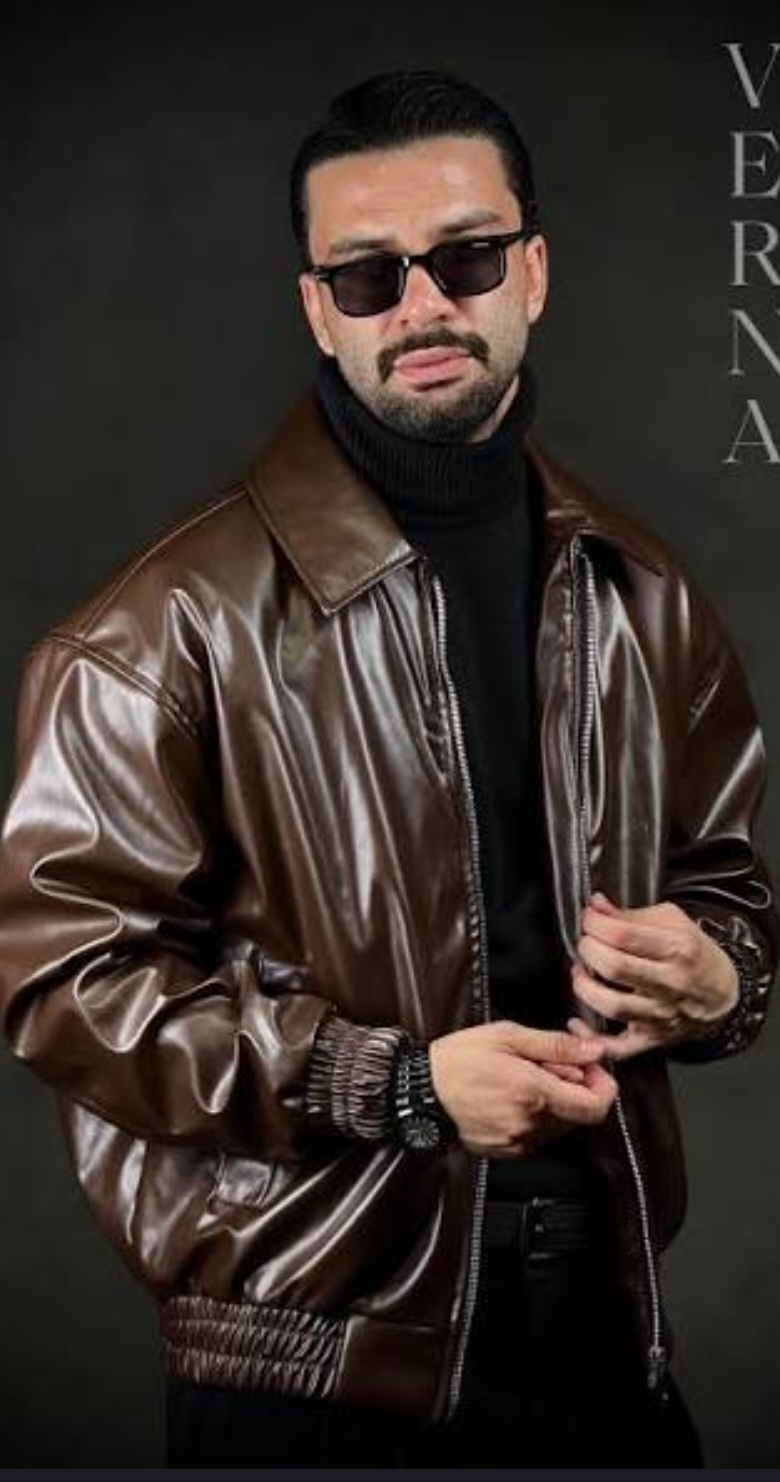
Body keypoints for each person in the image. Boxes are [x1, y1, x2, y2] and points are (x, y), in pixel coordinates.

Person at [0, 69, 776, 1469]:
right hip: (308, 1368)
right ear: (319, 309)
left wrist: (723, 978)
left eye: (465, 256)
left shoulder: (642, 595)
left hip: (607, 1320)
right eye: (368, 275)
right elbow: (67, 989)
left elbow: (730, 891)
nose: (420, 304)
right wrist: (400, 1082)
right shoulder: (150, 634)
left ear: (532, 272)